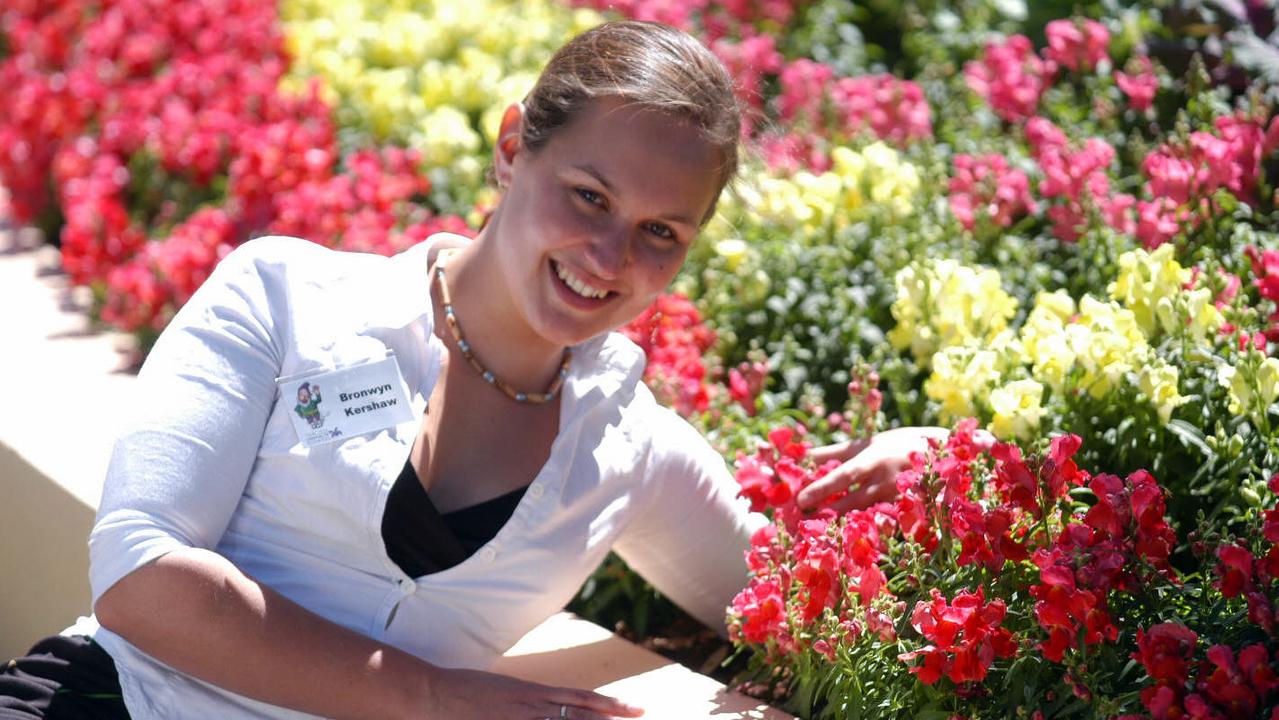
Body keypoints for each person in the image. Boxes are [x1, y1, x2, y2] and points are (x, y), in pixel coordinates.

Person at [0, 20, 939, 720]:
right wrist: (435, 698)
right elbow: (141, 575)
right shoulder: (283, 296)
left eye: (660, 232)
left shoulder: (631, 447)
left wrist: (941, 469)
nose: (609, 256)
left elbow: (786, 603)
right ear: (510, 146)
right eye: (588, 196)